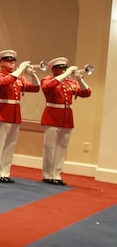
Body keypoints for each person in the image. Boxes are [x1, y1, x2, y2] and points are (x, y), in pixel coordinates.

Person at [0, 50, 41, 183]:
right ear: (1, 62)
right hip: (3, 111)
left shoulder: (19, 78)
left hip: (15, 113)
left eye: (13, 61)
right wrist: (20, 70)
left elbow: (35, 88)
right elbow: (2, 83)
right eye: (8, 60)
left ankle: (5, 172)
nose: (12, 63)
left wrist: (33, 74)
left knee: (10, 145)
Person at [39, 57, 91, 186]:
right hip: (52, 116)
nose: (63, 71)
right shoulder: (48, 79)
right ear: (54, 70)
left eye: (64, 68)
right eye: (61, 69)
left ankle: (56, 173)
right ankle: (47, 174)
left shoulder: (71, 82)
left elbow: (87, 93)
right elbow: (48, 87)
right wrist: (67, 74)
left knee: (62, 147)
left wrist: (79, 79)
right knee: (50, 147)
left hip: (67, 117)